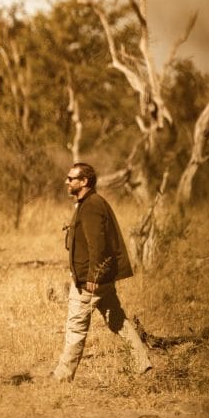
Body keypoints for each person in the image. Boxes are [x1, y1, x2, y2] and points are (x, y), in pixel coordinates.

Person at [51, 162, 152, 382]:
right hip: (100, 280)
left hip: (90, 282)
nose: (66, 182)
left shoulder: (91, 206)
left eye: (71, 178)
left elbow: (97, 245)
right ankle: (142, 364)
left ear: (84, 181)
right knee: (117, 320)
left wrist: (93, 276)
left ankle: (62, 377)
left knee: (75, 326)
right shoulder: (88, 203)